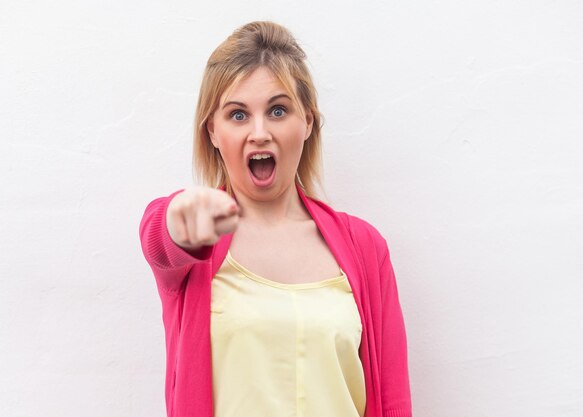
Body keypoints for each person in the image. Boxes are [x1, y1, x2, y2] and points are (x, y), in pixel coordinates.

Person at [139, 21, 412, 417]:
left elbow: (393, 399)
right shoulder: (198, 241)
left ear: (307, 123)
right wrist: (178, 221)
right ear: (212, 131)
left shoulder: (365, 247)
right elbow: (158, 236)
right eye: (238, 115)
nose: (260, 132)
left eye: (278, 110)